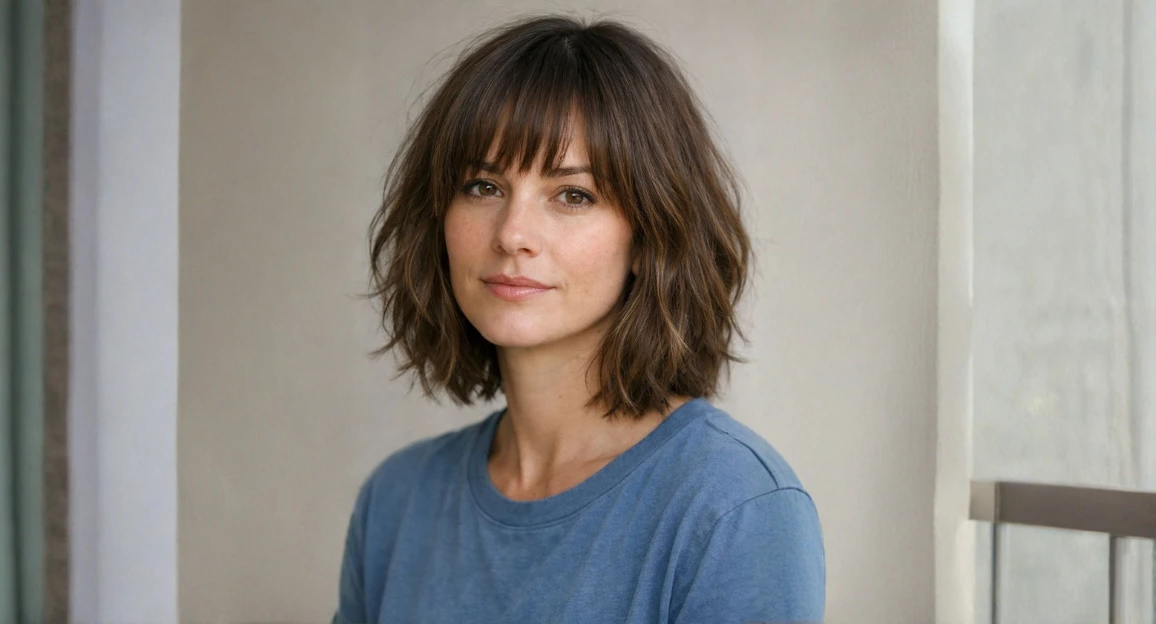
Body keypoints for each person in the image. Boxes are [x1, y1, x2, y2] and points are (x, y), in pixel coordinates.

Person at [333, 14, 825, 624]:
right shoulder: (396, 501)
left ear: (650, 236)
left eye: (573, 195)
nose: (513, 234)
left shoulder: (732, 504)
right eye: (483, 186)